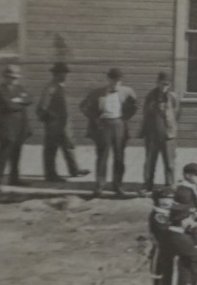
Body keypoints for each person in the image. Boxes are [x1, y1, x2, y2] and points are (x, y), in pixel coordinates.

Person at [81, 67, 138, 199]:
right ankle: (100, 186)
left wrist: (126, 117)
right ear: (108, 79)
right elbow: (83, 106)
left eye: (118, 81)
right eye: (113, 81)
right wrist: (95, 118)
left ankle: (118, 186)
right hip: (104, 125)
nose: (116, 84)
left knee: (119, 156)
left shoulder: (127, 91)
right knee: (102, 156)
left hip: (119, 124)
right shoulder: (97, 93)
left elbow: (135, 105)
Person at [37, 61, 86, 183]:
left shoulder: (61, 87)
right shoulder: (51, 87)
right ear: (56, 74)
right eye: (63, 73)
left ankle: (74, 170)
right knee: (51, 150)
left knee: (68, 146)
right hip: (54, 126)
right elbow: (42, 108)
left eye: (65, 73)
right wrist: (51, 121)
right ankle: (50, 174)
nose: (65, 75)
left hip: (64, 125)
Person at [0, 65, 33, 194]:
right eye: (11, 77)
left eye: (15, 78)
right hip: (7, 126)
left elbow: (30, 99)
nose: (13, 80)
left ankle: (14, 178)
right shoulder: (0, 90)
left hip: (20, 126)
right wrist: (21, 101)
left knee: (16, 154)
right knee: (3, 155)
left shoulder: (20, 88)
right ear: (5, 77)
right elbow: (7, 105)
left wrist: (17, 100)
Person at [141, 72, 180, 190]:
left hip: (168, 135)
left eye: (167, 85)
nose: (164, 87)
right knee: (150, 162)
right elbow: (146, 113)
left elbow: (177, 113)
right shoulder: (150, 96)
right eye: (162, 84)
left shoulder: (173, 97)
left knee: (169, 162)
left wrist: (170, 126)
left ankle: (169, 185)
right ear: (157, 83)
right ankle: (148, 184)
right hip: (153, 134)